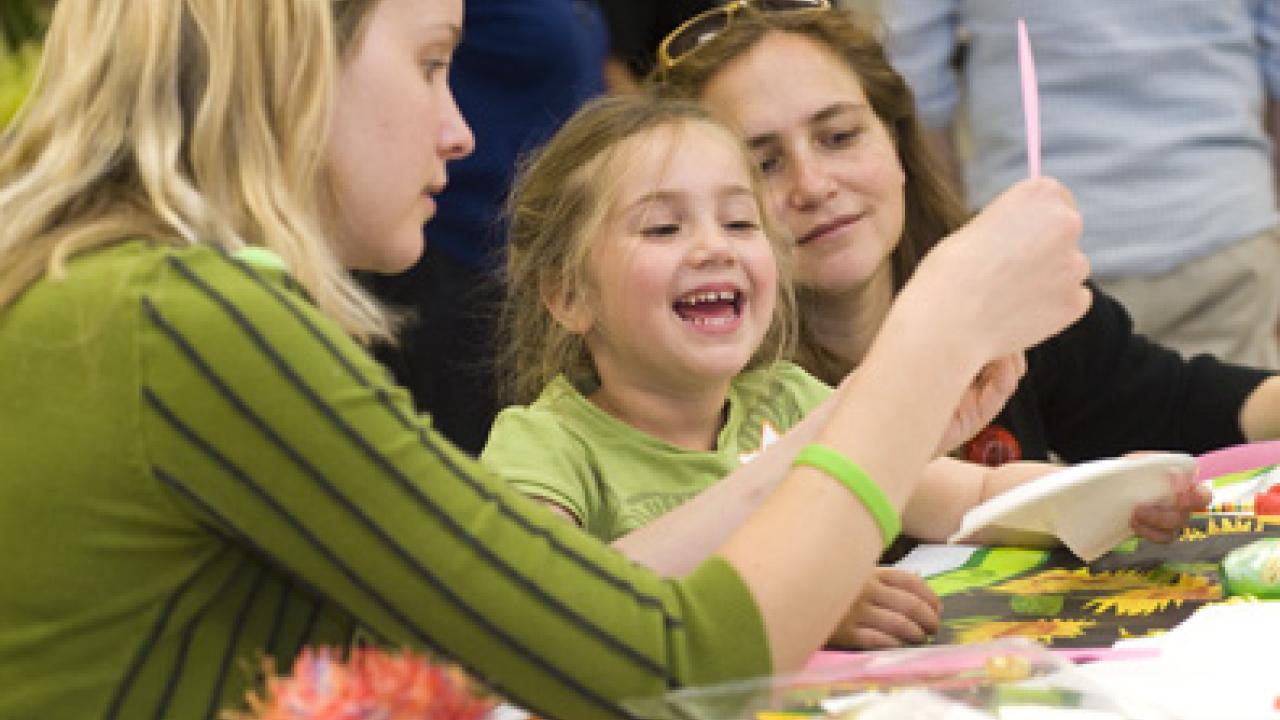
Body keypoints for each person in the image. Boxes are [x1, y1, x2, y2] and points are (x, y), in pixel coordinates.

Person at [0, 0, 1093, 717]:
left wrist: (835, 429)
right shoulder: (193, 320)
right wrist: (934, 324)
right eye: (433, 65)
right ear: (292, 62)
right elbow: (663, 663)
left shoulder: (110, 299)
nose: (458, 130)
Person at [481, 93, 1201, 648]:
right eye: (664, 227)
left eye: (739, 223)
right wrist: (800, 599)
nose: (715, 248)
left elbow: (975, 493)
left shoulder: (788, 397)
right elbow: (555, 607)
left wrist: (1107, 493)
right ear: (569, 294)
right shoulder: (545, 444)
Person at [655, 1, 1280, 468]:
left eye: (840, 136)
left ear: (899, 146)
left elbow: (1174, 409)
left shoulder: (1003, 297)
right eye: (762, 164)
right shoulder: (691, 396)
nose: (813, 184)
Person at [882, 0, 1280, 368]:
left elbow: (914, 80)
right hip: (1221, 223)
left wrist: (953, 234)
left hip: (1033, 241)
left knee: (1051, 436)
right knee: (1228, 430)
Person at [363, 0, 609, 454]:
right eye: (430, 66)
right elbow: (483, 526)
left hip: (534, 267)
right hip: (456, 261)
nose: (459, 134)